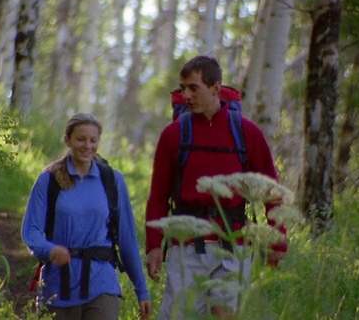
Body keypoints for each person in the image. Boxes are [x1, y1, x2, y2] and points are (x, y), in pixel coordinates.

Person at [145, 55, 287, 319]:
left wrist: (277, 239)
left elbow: (271, 189)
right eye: (183, 88)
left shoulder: (247, 133)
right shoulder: (174, 134)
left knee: (227, 315)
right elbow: (158, 195)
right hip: (186, 248)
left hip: (233, 247)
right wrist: (154, 246)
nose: (186, 95)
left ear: (215, 88)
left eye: (193, 88)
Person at [22, 113, 151, 320]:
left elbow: (128, 239)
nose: (87, 146)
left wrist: (141, 290)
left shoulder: (112, 180)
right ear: (68, 140)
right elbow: (31, 231)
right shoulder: (49, 180)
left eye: (93, 140)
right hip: (58, 286)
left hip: (102, 283)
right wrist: (51, 250)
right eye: (81, 139)